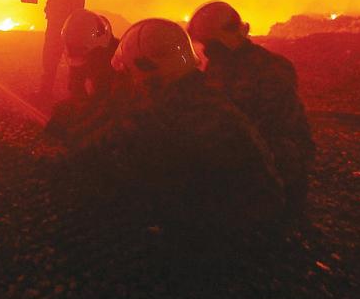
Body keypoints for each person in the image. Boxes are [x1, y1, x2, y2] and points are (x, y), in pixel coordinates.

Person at [79, 18, 284, 231]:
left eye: (133, 74)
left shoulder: (172, 111)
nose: (134, 82)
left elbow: (121, 144)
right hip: (255, 217)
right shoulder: (200, 93)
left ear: (148, 70)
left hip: (229, 232)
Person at [187, 1, 315, 215]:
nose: (207, 51)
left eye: (211, 43)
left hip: (275, 168)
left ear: (228, 35)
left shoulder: (270, 68)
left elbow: (264, 129)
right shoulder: (218, 65)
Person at [45, 10, 121, 144]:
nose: (76, 53)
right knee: (62, 110)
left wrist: (78, 132)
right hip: (98, 106)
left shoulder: (119, 64)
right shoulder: (86, 49)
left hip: (116, 116)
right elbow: (76, 90)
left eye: (79, 50)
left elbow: (110, 107)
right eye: (73, 49)